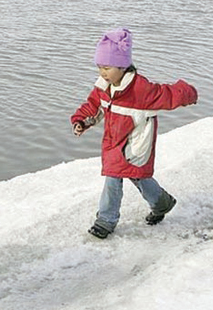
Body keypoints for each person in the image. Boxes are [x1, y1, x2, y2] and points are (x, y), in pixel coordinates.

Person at [71, 28, 198, 239]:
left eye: (107, 67)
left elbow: (167, 95)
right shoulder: (104, 87)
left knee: (123, 177)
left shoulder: (141, 90)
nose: (102, 72)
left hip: (135, 144)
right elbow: (95, 106)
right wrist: (82, 121)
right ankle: (162, 203)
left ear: (122, 66)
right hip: (113, 143)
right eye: (99, 67)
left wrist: (188, 93)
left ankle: (105, 220)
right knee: (134, 177)